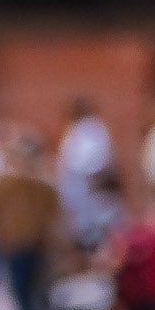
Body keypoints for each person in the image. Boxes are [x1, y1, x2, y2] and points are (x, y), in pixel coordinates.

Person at [0, 134, 60, 310]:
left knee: (23, 293)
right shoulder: (41, 186)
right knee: (31, 293)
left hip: (19, 245)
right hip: (31, 244)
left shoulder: (3, 185)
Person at [56, 99, 117, 250]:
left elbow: (90, 164)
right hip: (79, 195)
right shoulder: (80, 130)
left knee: (94, 241)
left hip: (89, 195)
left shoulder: (90, 130)